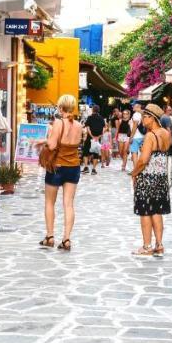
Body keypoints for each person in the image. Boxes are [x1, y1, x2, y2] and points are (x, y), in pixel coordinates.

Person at [37, 94, 83, 252]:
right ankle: (66, 239)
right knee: (68, 204)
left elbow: (52, 145)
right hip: (73, 166)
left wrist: (44, 140)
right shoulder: (79, 125)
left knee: (50, 202)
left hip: (57, 166)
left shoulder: (58, 123)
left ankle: (50, 237)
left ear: (61, 107)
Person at [130, 103, 172, 257]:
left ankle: (147, 246)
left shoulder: (150, 136)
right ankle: (159, 245)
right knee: (157, 211)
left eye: (145, 117)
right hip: (161, 178)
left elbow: (143, 160)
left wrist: (134, 174)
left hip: (147, 178)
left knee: (145, 212)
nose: (142, 120)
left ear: (152, 118)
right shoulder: (166, 134)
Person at [84, 104, 107, 175]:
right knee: (96, 153)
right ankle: (93, 169)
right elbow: (104, 128)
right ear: (98, 110)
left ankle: (86, 167)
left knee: (85, 152)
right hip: (97, 138)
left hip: (90, 138)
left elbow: (88, 128)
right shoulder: (101, 118)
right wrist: (98, 136)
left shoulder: (89, 117)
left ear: (92, 110)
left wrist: (92, 136)